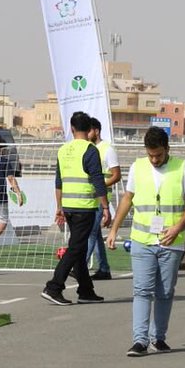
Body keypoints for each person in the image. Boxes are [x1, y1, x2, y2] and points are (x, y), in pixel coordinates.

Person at [106, 127, 185, 356]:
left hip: (171, 240)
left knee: (165, 291)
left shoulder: (182, 168)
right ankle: (140, 340)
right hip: (142, 239)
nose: (154, 159)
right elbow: (128, 198)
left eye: (158, 155)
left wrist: (178, 226)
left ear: (167, 149)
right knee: (142, 290)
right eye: (150, 155)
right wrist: (114, 229)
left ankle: (159, 337)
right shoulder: (138, 167)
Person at [42, 111, 110, 306]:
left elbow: (58, 181)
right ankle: (54, 286)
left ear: (71, 128)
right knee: (76, 248)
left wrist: (59, 207)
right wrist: (105, 207)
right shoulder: (90, 150)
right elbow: (98, 180)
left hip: (69, 206)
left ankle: (86, 290)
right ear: (89, 130)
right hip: (85, 206)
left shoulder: (63, 150)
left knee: (78, 249)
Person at [85, 116, 121, 280]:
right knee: (95, 233)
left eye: (89, 130)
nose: (86, 133)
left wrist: (101, 186)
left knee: (91, 231)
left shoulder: (107, 149)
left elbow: (116, 175)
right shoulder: (88, 148)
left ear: (96, 131)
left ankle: (80, 266)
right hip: (91, 196)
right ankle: (104, 269)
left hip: (102, 196)